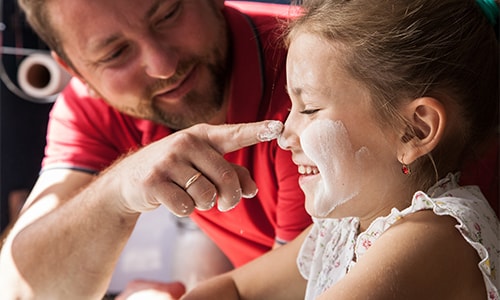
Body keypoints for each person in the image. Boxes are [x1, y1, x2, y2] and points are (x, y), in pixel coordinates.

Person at [181, 0, 500, 299]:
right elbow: (235, 288)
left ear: (414, 131)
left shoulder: (431, 236)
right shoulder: (340, 230)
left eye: (309, 109)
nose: (284, 136)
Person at [0, 1, 313, 298]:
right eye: (115, 53)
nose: (162, 66)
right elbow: (19, 290)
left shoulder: (316, 73)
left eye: (168, 15)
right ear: (76, 70)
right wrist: (121, 189)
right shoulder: (91, 106)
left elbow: (314, 281)